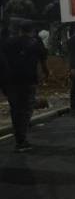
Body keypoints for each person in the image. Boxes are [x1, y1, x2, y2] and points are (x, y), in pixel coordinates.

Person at [1, 24, 49, 152]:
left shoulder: (7, 43)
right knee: (26, 110)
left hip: (9, 82)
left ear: (20, 31)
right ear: (32, 31)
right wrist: (46, 72)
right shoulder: (35, 43)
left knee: (15, 110)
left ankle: (19, 138)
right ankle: (21, 140)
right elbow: (43, 59)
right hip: (27, 81)